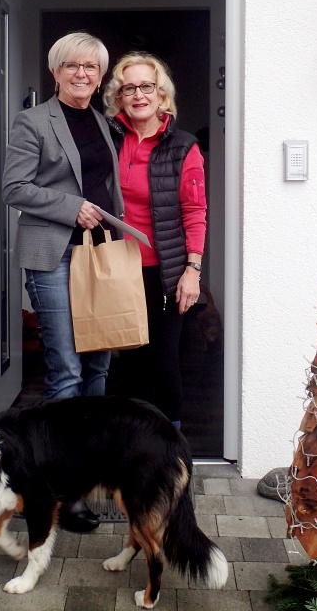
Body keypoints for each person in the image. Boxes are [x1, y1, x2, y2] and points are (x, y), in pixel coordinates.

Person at [2, 31, 124, 531]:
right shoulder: (32, 121)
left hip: (99, 256)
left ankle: (89, 474)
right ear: (55, 72)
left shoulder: (103, 122)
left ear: (101, 75)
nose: (81, 74)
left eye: (90, 67)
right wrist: (71, 208)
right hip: (52, 256)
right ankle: (60, 489)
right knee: (67, 370)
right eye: (71, 65)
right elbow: (14, 187)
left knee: (97, 367)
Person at [103, 52, 207, 430]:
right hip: (116, 268)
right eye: (129, 88)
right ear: (118, 97)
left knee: (163, 362)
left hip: (164, 272)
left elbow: (194, 211)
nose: (138, 95)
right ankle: (133, 446)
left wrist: (192, 270)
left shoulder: (183, 146)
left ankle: (170, 449)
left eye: (147, 86)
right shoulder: (105, 138)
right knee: (127, 364)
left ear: (162, 95)